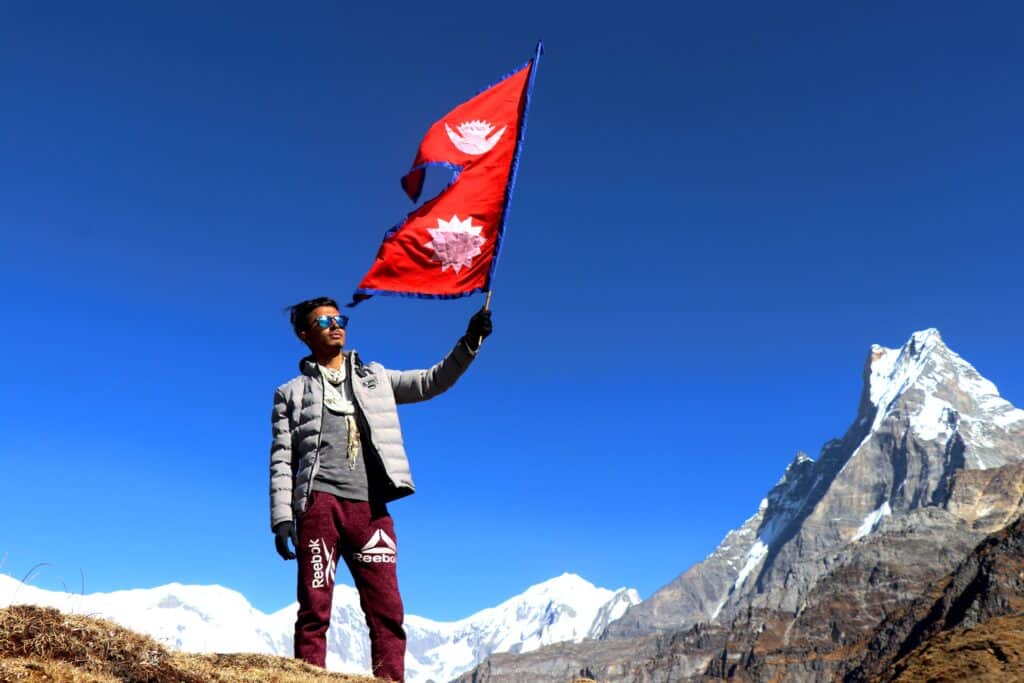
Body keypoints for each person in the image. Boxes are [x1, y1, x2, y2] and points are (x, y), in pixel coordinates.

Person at [269, 296, 492, 682]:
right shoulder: (290, 393)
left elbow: (431, 381)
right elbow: (282, 459)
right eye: (324, 323)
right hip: (319, 506)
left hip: (371, 510)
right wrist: (283, 519)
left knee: (387, 611)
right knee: (314, 609)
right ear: (305, 335)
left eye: (340, 319)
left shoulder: (376, 378)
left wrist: (469, 341)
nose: (336, 326)